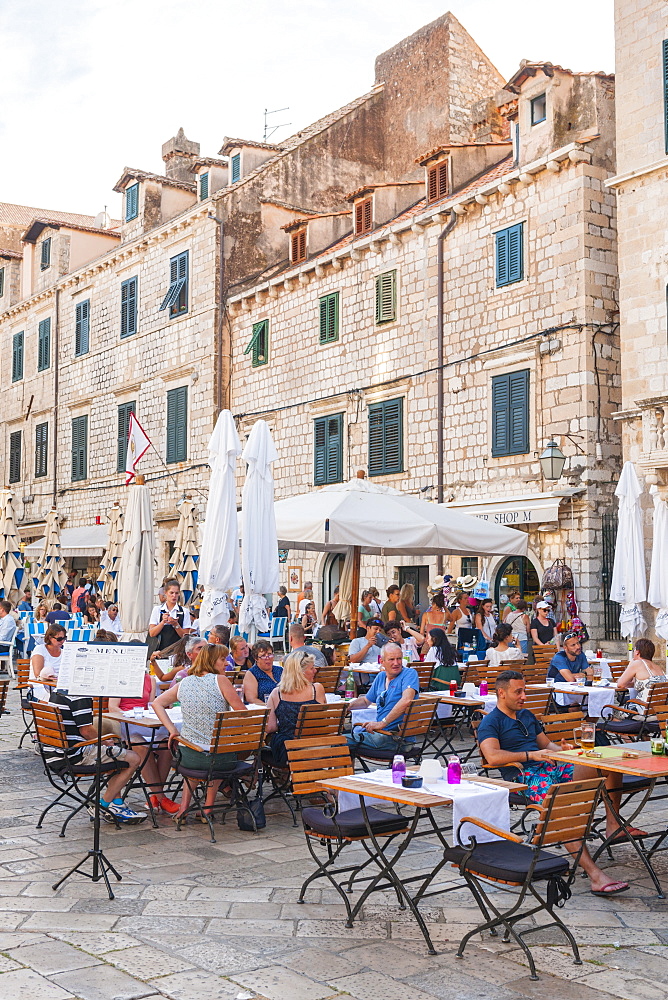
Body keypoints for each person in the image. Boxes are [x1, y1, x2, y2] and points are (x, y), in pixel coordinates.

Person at [477, 670, 632, 895]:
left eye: (524, 691)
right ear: (501, 693)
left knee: (609, 766)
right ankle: (595, 875)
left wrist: (563, 749)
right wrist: (530, 755)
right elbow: (492, 757)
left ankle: (612, 826)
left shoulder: (527, 715)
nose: (523, 696)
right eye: (518, 692)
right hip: (523, 776)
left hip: (550, 766)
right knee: (563, 807)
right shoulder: (491, 723)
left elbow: (548, 747)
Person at [152, 643, 246, 822]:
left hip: (189, 756)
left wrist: (172, 730)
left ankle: (184, 808)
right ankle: (208, 808)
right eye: (222, 659)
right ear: (212, 661)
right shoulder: (221, 681)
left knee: (197, 752)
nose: (226, 663)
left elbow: (157, 703)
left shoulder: (185, 681)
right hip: (221, 758)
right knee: (217, 750)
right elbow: (242, 714)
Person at [108, 669, 179, 815]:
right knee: (139, 746)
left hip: (145, 722)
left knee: (167, 745)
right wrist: (130, 716)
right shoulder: (119, 678)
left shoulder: (150, 679)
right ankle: (161, 797)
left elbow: (151, 704)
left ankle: (154, 795)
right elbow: (112, 707)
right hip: (126, 725)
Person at [346, 643, 419, 752]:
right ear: (382, 662)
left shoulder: (409, 673)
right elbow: (366, 701)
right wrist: (345, 708)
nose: (396, 663)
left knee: (340, 742)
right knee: (340, 738)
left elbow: (407, 700)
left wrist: (383, 723)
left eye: (399, 658)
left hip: (397, 738)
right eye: (391, 659)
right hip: (381, 735)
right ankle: (346, 769)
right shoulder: (381, 676)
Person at [265, 651, 326, 763]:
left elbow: (270, 728)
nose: (315, 670)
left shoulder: (276, 694)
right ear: (300, 672)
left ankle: (278, 774)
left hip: (289, 748)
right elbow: (324, 719)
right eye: (311, 668)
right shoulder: (317, 689)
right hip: (319, 745)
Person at [148, 580, 192, 651]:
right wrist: (163, 622)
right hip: (160, 651)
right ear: (165, 593)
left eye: (176, 593)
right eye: (171, 593)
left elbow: (186, 637)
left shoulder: (184, 611)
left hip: (178, 652)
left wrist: (176, 625)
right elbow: (152, 633)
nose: (174, 596)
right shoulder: (157, 610)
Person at [243, 640, 282, 706]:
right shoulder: (252, 674)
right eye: (263, 656)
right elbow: (251, 699)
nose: (267, 658)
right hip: (265, 709)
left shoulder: (280, 670)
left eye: (270, 654)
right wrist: (270, 708)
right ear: (256, 658)